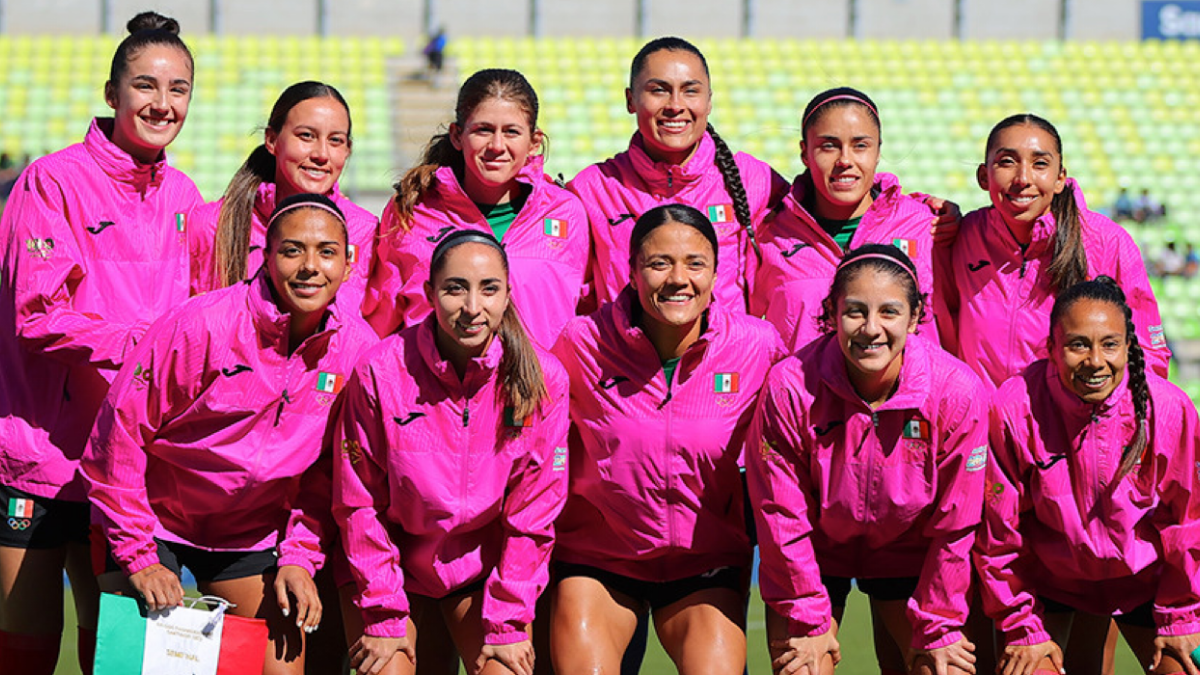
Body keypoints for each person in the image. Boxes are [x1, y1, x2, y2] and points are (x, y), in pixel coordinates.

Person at [81, 193, 379, 675]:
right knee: (135, 666)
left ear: (349, 263)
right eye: (292, 250)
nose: (309, 267)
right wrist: (138, 556)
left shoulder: (359, 352)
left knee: (279, 666)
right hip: (152, 520)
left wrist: (300, 556)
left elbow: (331, 473)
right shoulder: (202, 324)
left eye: (326, 252)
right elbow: (117, 436)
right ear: (266, 256)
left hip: (250, 531)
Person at [0, 12, 201, 674]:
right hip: (39, 455)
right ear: (113, 93)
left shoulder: (186, 195)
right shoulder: (51, 181)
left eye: (178, 90)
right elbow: (36, 314)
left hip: (126, 466)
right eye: (145, 86)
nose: (161, 104)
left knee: (117, 650)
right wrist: (146, 344)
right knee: (26, 647)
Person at [549, 204, 785, 675]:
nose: (679, 278)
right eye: (659, 263)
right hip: (599, 559)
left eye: (695, 263)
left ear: (717, 273)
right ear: (633, 271)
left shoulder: (757, 346)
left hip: (705, 563)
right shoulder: (582, 342)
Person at [329, 229, 568, 675]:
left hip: (483, 572)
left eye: (488, 288)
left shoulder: (544, 378)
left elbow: (534, 513)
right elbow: (359, 502)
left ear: (508, 294)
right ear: (429, 293)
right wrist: (383, 611)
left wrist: (508, 622)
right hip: (389, 566)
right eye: (455, 288)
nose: (472, 307)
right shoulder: (380, 369)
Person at [748, 244, 988, 675]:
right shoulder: (790, 385)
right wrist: (808, 615)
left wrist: (938, 626)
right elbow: (780, 513)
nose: (871, 328)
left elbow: (957, 522)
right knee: (801, 668)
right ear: (831, 314)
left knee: (943, 668)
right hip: (817, 556)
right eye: (855, 311)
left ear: (915, 318)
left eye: (890, 312)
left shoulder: (956, 391)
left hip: (909, 555)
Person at [977, 276, 1200, 675]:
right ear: (1051, 349)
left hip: (1146, 582)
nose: (1095, 361)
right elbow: (998, 536)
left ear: (1128, 347)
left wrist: (1181, 614)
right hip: (1050, 582)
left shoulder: (1168, 409)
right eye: (1078, 344)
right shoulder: (1014, 406)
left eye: (1109, 344)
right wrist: (1021, 626)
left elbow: (1188, 522)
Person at [937, 113, 1171, 388]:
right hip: (980, 427)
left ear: (1060, 178)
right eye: (1007, 162)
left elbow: (1149, 357)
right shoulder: (963, 235)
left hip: (1069, 428)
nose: (1023, 178)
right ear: (983, 176)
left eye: (1040, 164)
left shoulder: (1107, 242)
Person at [363, 68, 587, 350]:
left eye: (511, 132)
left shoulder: (566, 212)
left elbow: (584, 316)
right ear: (457, 135)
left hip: (535, 390)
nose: (496, 146)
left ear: (534, 142)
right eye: (483, 130)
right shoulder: (412, 210)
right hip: (432, 390)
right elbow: (380, 319)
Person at [751, 87, 944, 353]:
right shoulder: (769, 234)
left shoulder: (927, 226)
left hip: (906, 394)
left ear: (878, 151)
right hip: (804, 394)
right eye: (828, 146)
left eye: (860, 145)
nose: (845, 160)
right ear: (805, 153)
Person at [189, 81, 378, 309]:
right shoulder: (212, 224)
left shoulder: (366, 230)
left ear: (348, 150)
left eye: (335, 140)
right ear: (271, 140)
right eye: (307, 136)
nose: (321, 154)